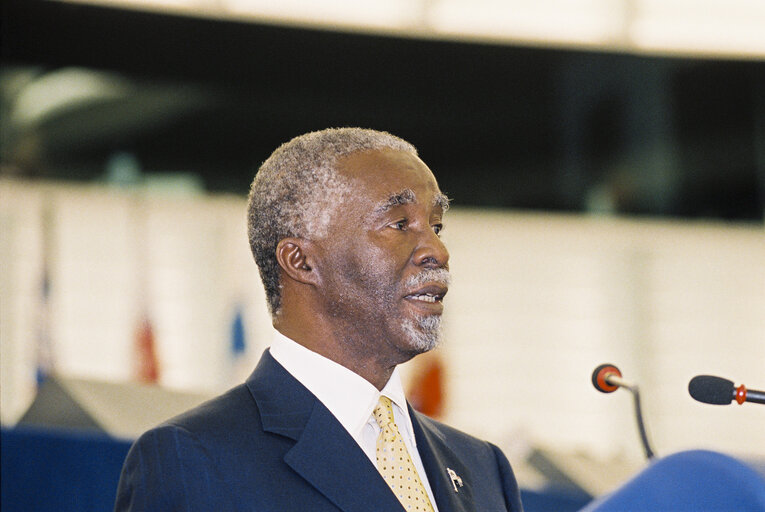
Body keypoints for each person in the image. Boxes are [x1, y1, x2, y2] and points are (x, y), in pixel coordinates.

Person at [114, 127, 524, 512]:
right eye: (400, 224)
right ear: (301, 261)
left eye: (436, 225)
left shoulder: (483, 468)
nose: (437, 249)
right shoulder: (193, 458)